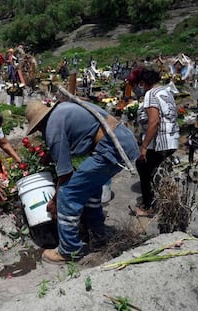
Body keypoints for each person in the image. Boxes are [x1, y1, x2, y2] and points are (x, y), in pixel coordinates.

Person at [25, 98, 140, 264]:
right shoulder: (64, 109)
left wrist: (55, 200)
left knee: (67, 193)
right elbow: (82, 134)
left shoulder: (52, 128)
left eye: (37, 129)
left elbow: (65, 175)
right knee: (91, 189)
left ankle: (68, 250)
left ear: (39, 124)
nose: (40, 133)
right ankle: (97, 235)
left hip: (112, 146)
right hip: (123, 139)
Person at [127, 66, 180, 217]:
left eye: (139, 84)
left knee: (142, 166)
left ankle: (148, 206)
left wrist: (144, 146)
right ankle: (161, 198)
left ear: (143, 83)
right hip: (172, 138)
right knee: (153, 169)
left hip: (161, 140)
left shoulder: (151, 94)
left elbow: (154, 122)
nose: (138, 88)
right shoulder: (166, 91)